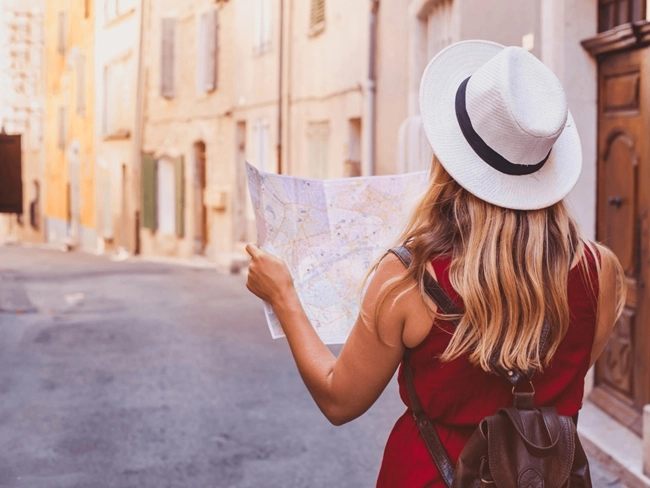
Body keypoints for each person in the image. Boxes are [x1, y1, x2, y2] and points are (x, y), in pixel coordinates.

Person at [245, 40, 626, 487]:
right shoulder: (601, 271)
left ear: (449, 158)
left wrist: (284, 297)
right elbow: (560, 375)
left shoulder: (409, 278)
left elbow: (339, 400)